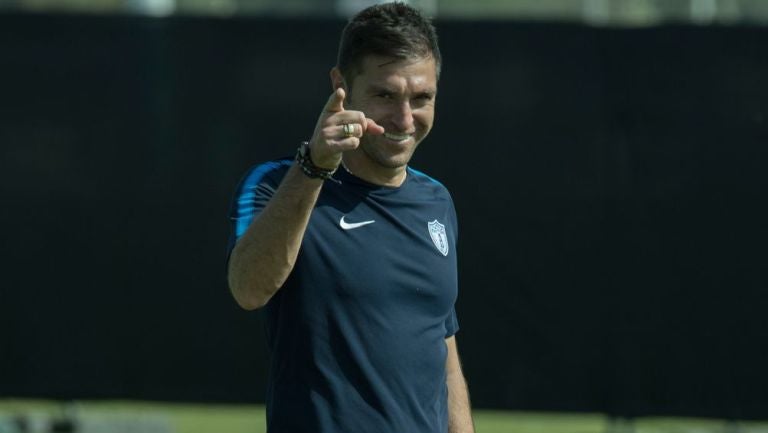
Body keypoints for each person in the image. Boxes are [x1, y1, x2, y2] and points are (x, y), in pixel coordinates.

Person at [226, 3, 473, 432]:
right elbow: (248, 288)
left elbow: (440, 339)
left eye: (421, 98)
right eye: (385, 95)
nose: (404, 118)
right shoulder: (276, 184)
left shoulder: (437, 201)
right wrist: (314, 168)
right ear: (341, 86)